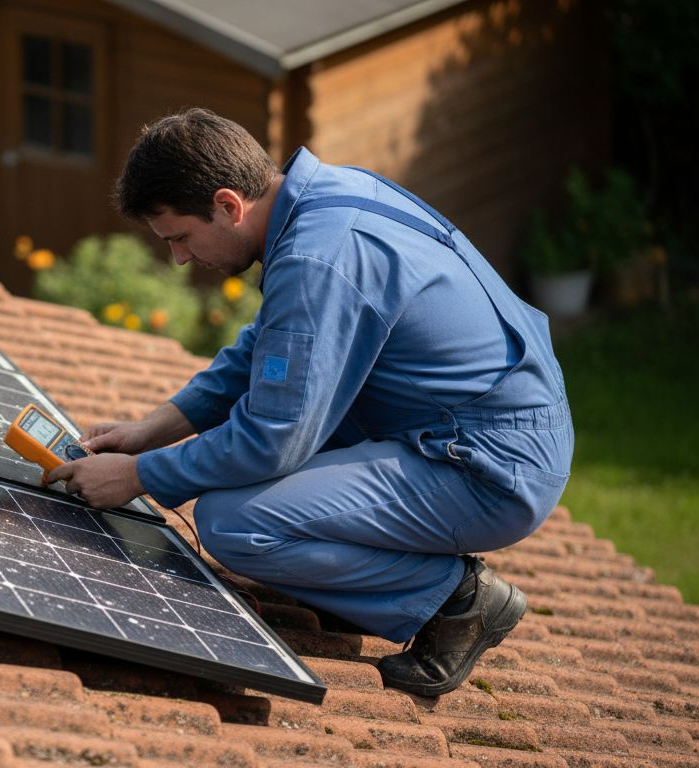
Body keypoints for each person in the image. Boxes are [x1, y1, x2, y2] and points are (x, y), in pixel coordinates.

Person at [44, 108, 573, 696]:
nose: (181, 259)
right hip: (463, 427)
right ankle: (367, 583)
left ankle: (459, 601)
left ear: (227, 204)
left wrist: (138, 475)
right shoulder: (321, 200)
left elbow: (273, 436)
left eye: (180, 238)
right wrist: (153, 428)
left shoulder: (319, 257)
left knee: (235, 523)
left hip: (487, 466)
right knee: (249, 483)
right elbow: (265, 349)